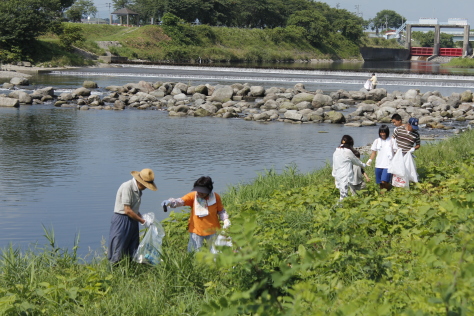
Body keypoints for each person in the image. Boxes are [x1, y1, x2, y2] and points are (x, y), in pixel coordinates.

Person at [162, 176, 230, 252]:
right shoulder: (193, 196)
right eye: (198, 190)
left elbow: (221, 211)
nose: (200, 193)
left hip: (213, 230)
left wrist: (225, 219)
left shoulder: (215, 197)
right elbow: (181, 201)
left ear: (209, 190)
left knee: (215, 252)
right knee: (194, 252)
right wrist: (170, 202)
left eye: (203, 191)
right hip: (196, 230)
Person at [108, 168, 158, 263]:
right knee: (119, 247)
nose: (147, 187)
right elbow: (127, 210)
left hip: (132, 220)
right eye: (146, 185)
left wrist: (143, 217)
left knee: (133, 247)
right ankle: (114, 271)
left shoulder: (139, 190)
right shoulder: (127, 187)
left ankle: (129, 269)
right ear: (141, 182)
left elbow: (134, 209)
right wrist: (143, 221)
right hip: (121, 219)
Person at [332, 135, 366, 201]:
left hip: (338, 175)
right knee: (344, 195)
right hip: (345, 175)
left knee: (342, 193)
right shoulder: (347, 151)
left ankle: (342, 207)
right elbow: (356, 161)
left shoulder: (336, 151)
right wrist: (364, 165)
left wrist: (334, 175)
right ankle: (340, 208)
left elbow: (334, 164)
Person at [367, 125, 397, 191]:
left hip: (388, 164)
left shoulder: (392, 141)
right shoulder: (377, 141)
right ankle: (382, 195)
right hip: (379, 164)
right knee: (380, 183)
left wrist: (396, 162)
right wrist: (370, 160)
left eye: (384, 132)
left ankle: (388, 190)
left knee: (384, 181)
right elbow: (373, 152)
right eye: (381, 132)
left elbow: (396, 152)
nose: (382, 134)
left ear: (387, 132)